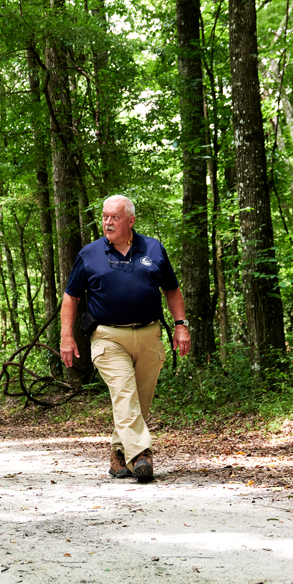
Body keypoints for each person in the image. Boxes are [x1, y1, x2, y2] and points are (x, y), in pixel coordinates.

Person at [60, 195, 190, 483]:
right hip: (107, 337)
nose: (107, 222)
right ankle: (141, 455)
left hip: (148, 334)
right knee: (124, 394)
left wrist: (181, 325)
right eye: (105, 216)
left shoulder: (153, 249)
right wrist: (65, 336)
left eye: (115, 217)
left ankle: (119, 454)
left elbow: (171, 289)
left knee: (139, 401)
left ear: (131, 221)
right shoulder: (89, 254)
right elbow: (71, 297)